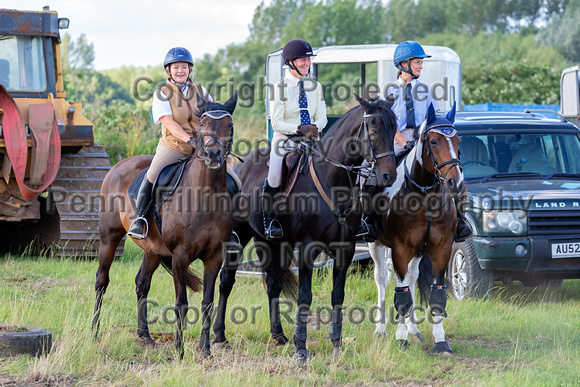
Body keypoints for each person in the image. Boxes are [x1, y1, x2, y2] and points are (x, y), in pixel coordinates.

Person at [361, 40, 472, 242]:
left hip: (424, 144)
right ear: (404, 64)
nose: (421, 66)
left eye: (421, 62)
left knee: (452, 172)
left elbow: (434, 119)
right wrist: (405, 143)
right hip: (395, 142)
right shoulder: (388, 92)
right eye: (417, 62)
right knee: (370, 174)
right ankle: (368, 221)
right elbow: (388, 126)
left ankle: (460, 220)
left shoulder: (426, 91)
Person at [128, 47, 214, 239]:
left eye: (184, 67)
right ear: (169, 70)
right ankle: (139, 219)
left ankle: (232, 224)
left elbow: (212, 116)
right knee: (152, 173)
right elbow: (168, 122)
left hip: (201, 148)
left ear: (190, 69)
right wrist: (191, 140)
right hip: (174, 146)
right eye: (176, 67)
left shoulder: (201, 91)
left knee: (232, 177)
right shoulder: (162, 93)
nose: (180, 71)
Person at [263, 39, 327, 240]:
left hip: (312, 138)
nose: (307, 63)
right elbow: (276, 123)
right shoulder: (280, 88)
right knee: (274, 173)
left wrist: (315, 128)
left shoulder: (315, 87)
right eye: (303, 60)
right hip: (286, 138)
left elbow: (322, 116)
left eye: (309, 60)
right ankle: (270, 219)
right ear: (290, 62)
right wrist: (298, 128)